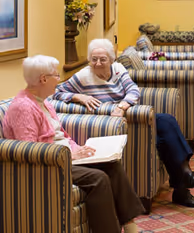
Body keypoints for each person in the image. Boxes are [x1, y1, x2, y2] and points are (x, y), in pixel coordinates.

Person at [53, 39, 194, 208]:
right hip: (116, 124)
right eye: (94, 59)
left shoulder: (118, 69)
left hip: (131, 115)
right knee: (163, 131)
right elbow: (57, 91)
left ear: (111, 60)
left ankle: (183, 181)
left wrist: (122, 106)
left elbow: (133, 90)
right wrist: (78, 96)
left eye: (102, 59)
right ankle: (184, 182)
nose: (97, 63)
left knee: (166, 124)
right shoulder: (83, 76)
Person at [2, 55, 144, 233]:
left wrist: (78, 149)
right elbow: (30, 150)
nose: (59, 80)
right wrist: (70, 155)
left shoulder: (44, 102)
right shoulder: (23, 107)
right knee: (99, 179)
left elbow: (60, 135)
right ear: (43, 79)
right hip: (51, 164)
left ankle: (131, 227)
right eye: (56, 76)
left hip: (67, 156)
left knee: (112, 166)